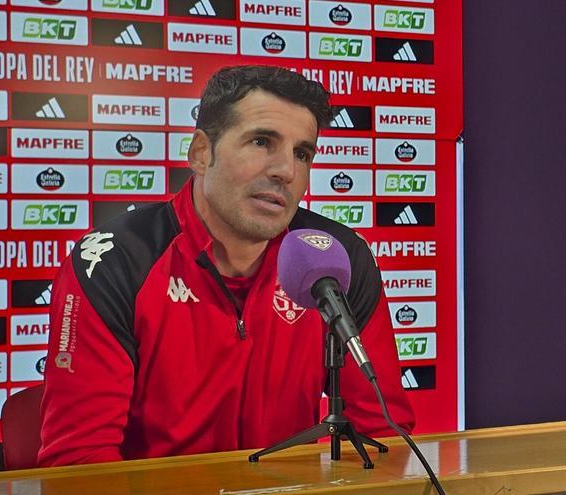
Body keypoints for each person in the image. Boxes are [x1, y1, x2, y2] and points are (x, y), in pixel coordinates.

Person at [38, 65, 414, 467]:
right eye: (261, 142)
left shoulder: (338, 258)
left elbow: (381, 435)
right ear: (201, 153)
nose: (285, 171)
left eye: (301, 153)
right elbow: (79, 464)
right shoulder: (113, 263)